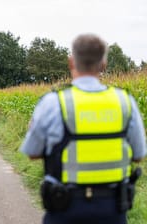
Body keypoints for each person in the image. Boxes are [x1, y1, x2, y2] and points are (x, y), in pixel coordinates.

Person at [20, 34, 146, 224]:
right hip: (112, 209)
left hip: (64, 208)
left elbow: (32, 152)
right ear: (103, 63)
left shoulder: (53, 103)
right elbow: (139, 155)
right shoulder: (124, 102)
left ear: (71, 62)